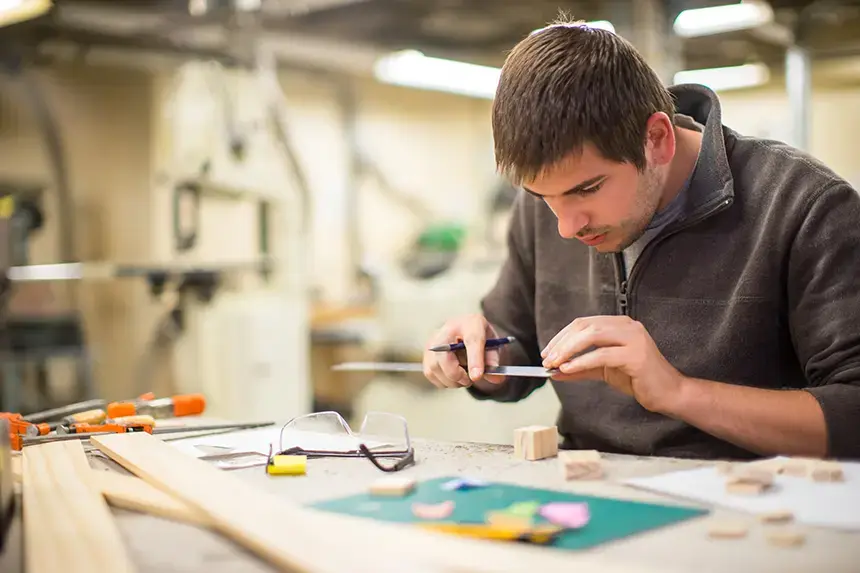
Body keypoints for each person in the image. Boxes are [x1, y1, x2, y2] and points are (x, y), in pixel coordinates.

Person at [421, 18, 860, 461]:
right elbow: (519, 341)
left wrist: (678, 392)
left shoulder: (804, 206)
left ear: (657, 139)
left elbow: (854, 412)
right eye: (542, 195)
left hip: (751, 503)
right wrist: (482, 358)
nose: (566, 227)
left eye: (587, 189)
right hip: (590, 489)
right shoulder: (549, 204)